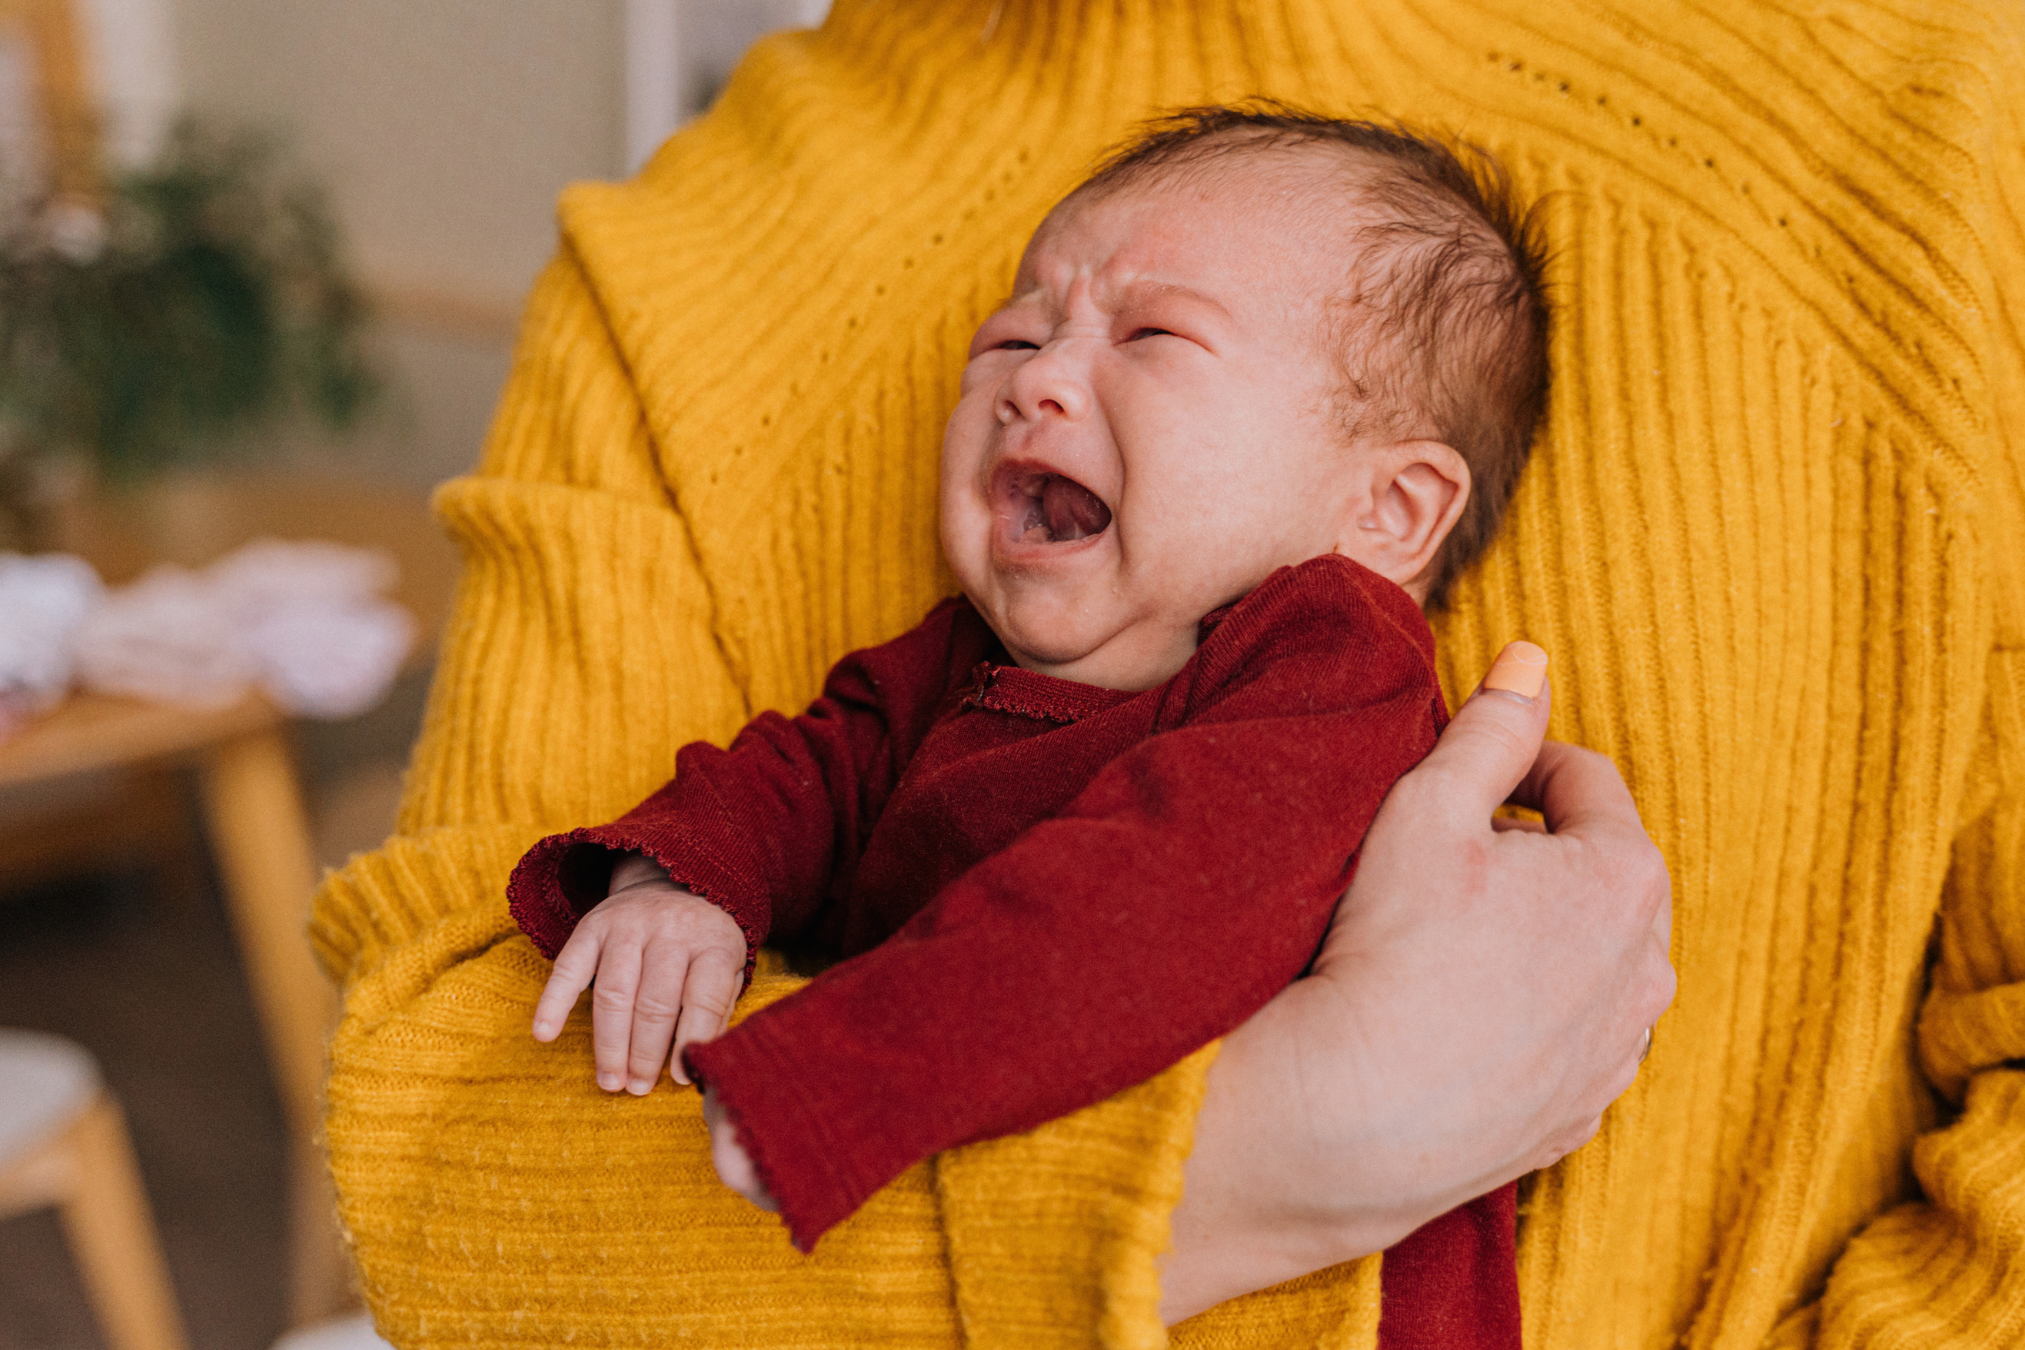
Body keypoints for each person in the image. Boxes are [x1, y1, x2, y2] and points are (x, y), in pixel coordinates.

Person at [506, 108, 1560, 1344]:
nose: (1033, 380)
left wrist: (842, 1077)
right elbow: (806, 775)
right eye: (1011, 335)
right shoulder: (962, 663)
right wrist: (676, 885)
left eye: (1154, 335)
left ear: (1388, 506)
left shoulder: (1333, 670)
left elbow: (1155, 899)